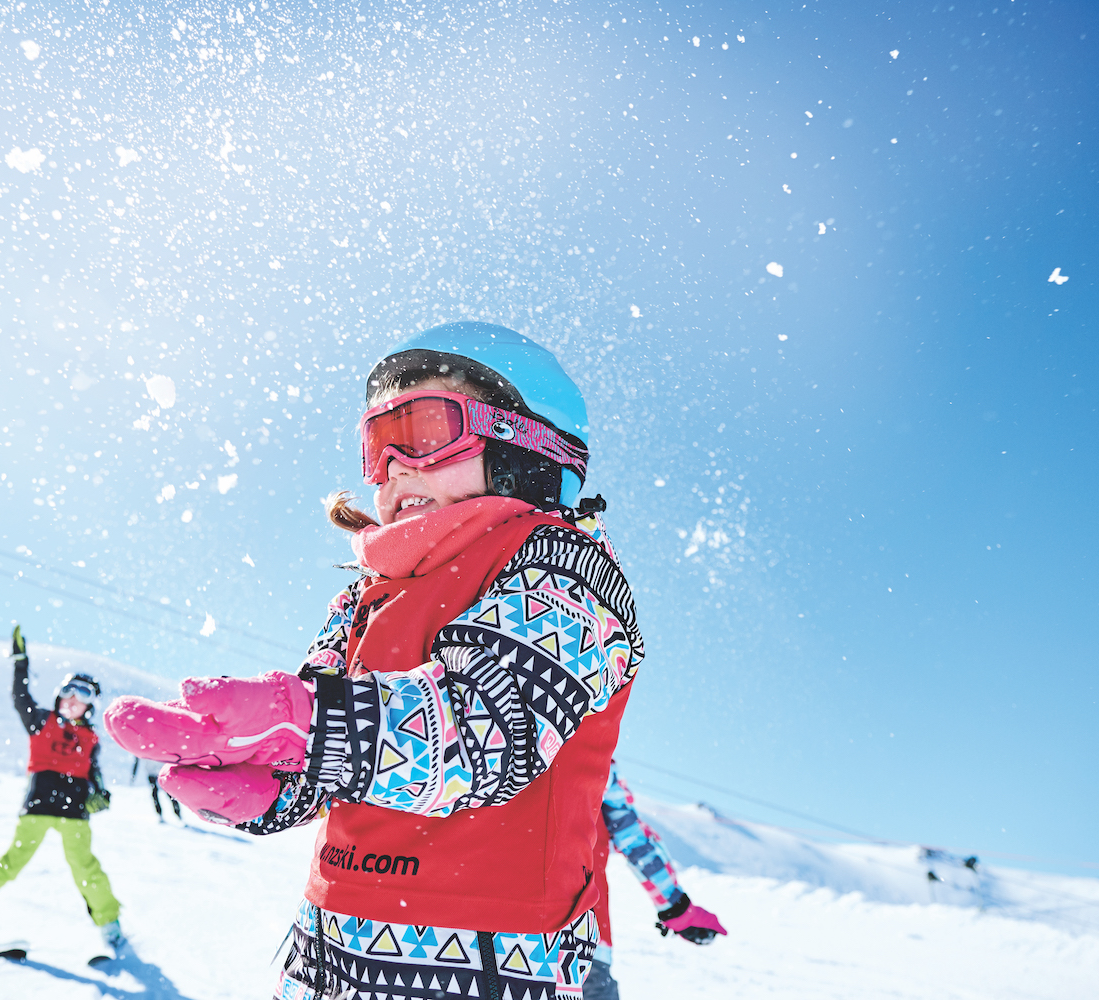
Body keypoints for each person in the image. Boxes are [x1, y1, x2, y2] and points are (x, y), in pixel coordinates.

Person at [108, 323, 644, 1000]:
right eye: (376, 444)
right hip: (328, 950)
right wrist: (277, 785)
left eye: (421, 431)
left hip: (491, 964)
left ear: (527, 446)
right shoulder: (367, 595)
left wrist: (306, 726)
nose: (391, 467)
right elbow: (338, 763)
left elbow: (483, 734)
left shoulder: (566, 573)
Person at [0, 626, 126, 954]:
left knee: (86, 869)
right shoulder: (42, 721)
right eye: (70, 692)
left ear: (91, 706)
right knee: (11, 863)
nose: (75, 700)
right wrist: (20, 663)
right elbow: (20, 698)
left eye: (84, 695)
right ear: (60, 695)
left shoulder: (91, 739)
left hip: (75, 813)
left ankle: (111, 928)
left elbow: (95, 776)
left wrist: (101, 794)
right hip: (39, 805)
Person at [582, 762, 728, 1000]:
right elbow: (635, 841)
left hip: (505, 933)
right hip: (584, 938)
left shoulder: (502, 736)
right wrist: (677, 908)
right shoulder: (593, 742)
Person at [132, 757, 183, 823]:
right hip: (152, 771)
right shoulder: (140, 747)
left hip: (161, 770)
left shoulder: (141, 747)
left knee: (168, 792)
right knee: (156, 793)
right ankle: (160, 814)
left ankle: (178, 813)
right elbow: (136, 759)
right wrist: (133, 775)